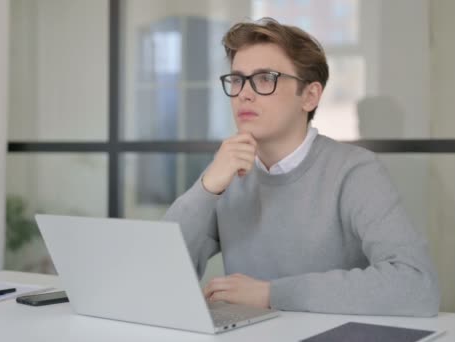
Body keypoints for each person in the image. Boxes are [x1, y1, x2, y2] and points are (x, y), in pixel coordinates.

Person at [163, 17, 439, 316]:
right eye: (237, 79)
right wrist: (207, 188)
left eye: (265, 78)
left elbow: (416, 284)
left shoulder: (355, 171)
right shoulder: (227, 173)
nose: (244, 92)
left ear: (309, 96)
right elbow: (158, 271)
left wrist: (272, 293)